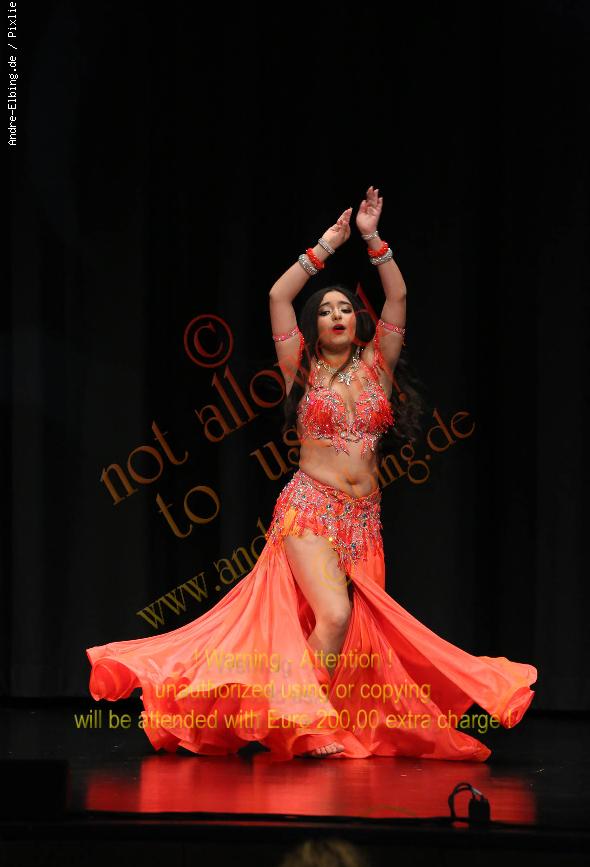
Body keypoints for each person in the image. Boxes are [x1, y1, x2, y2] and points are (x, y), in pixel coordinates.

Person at [87, 186, 537, 761]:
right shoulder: (299, 368)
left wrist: (373, 240)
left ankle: (289, 716)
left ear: (357, 320)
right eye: (325, 311)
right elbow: (278, 294)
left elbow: (398, 293)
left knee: (351, 635)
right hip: (311, 510)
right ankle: (307, 725)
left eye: (344, 308)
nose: (336, 315)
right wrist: (326, 245)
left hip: (364, 522)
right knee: (335, 613)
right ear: (314, 326)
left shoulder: (378, 367)